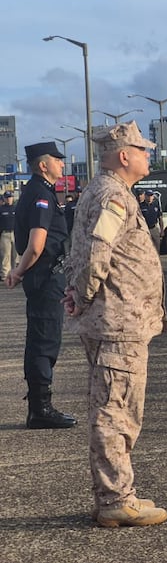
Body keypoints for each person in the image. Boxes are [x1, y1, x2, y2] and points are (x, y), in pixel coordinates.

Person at [62, 120, 167, 527]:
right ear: (124, 156)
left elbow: (86, 253)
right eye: (142, 150)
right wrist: (83, 296)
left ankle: (116, 493)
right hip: (118, 321)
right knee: (115, 411)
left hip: (117, 319)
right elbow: (96, 256)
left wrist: (78, 293)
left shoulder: (107, 191)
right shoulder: (112, 195)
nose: (148, 157)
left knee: (114, 406)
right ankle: (115, 499)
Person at [5, 143, 76, 428]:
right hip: (45, 276)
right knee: (44, 340)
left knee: (43, 338)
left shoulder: (38, 190)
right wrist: (19, 272)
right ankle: (40, 409)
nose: (62, 164)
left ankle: (40, 406)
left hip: (47, 275)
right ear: (43, 165)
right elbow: (36, 245)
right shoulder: (40, 194)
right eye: (57, 160)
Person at [0, 191, 18, 280]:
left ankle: (15, 274)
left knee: (15, 256)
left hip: (15, 233)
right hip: (5, 234)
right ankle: (5, 275)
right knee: (5, 256)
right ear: (4, 199)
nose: (9, 199)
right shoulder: (1, 209)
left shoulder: (16, 208)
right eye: (7, 198)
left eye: (10, 197)